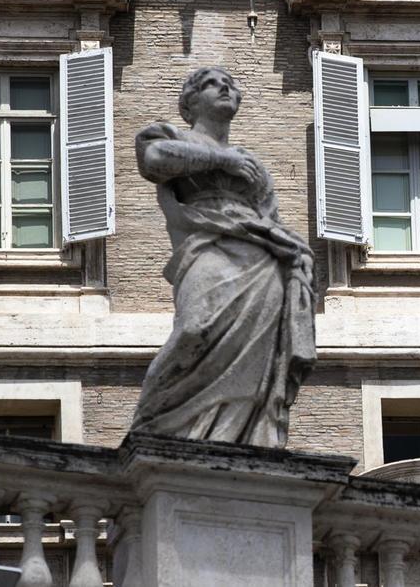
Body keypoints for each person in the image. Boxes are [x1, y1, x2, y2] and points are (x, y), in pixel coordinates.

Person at [131, 67, 316, 448]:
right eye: (214, 83)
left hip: (262, 262)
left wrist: (295, 251)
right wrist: (220, 162)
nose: (226, 88)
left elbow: (269, 216)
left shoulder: (252, 162)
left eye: (232, 84)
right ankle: (159, 426)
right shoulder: (171, 137)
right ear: (190, 101)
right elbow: (154, 159)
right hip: (206, 248)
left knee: (256, 358)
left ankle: (245, 436)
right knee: (195, 328)